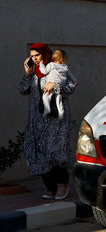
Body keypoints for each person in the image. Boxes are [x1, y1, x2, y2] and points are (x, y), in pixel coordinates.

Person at [19, 43, 77, 200]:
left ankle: (62, 183)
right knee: (39, 153)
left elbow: (72, 85)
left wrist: (55, 86)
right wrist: (27, 74)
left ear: (44, 54)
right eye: (32, 56)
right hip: (37, 119)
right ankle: (50, 186)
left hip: (56, 117)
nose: (34, 59)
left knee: (54, 151)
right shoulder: (35, 72)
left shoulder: (56, 66)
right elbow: (23, 90)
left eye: (37, 55)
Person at [40, 49, 73, 120]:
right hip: (61, 85)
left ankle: (47, 109)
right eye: (65, 58)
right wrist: (75, 82)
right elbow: (71, 76)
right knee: (59, 100)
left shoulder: (51, 65)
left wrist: (41, 65)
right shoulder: (65, 67)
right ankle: (61, 113)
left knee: (46, 96)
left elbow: (44, 72)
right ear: (61, 59)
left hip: (51, 85)